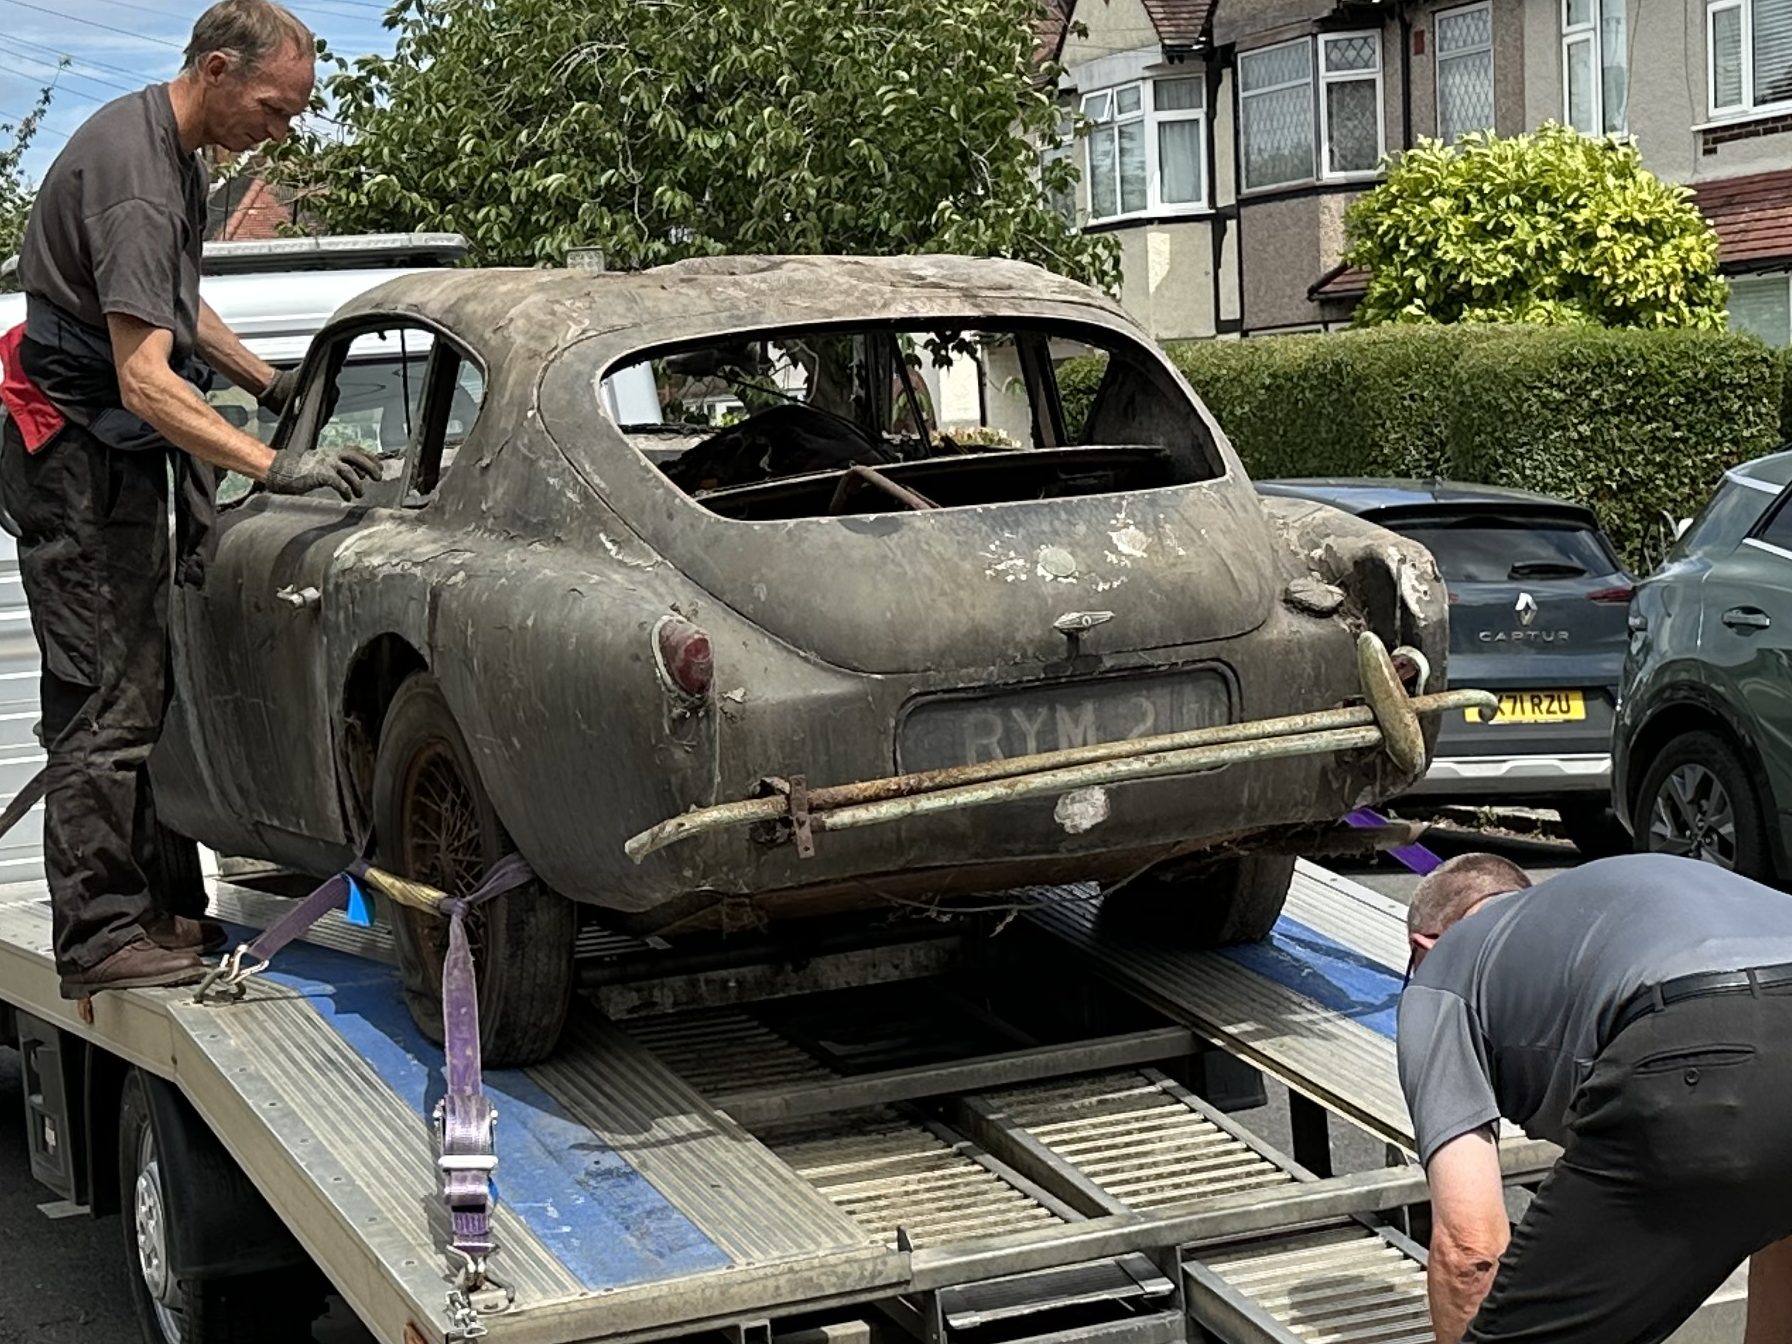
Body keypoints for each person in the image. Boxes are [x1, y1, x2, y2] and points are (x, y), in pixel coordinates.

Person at [0, 0, 380, 998]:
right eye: (273, 106)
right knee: (103, 704)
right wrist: (270, 464)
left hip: (105, 446)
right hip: (75, 455)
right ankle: (97, 940)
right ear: (216, 68)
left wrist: (265, 382)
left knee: (141, 683)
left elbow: (174, 303)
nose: (282, 129)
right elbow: (146, 380)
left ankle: (156, 908)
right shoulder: (134, 179)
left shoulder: (172, 154)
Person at [1397, 850, 1792, 1344]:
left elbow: (1469, 1251)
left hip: (1704, 1059)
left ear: (1425, 944)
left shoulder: (1442, 973)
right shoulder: (1602, 906)